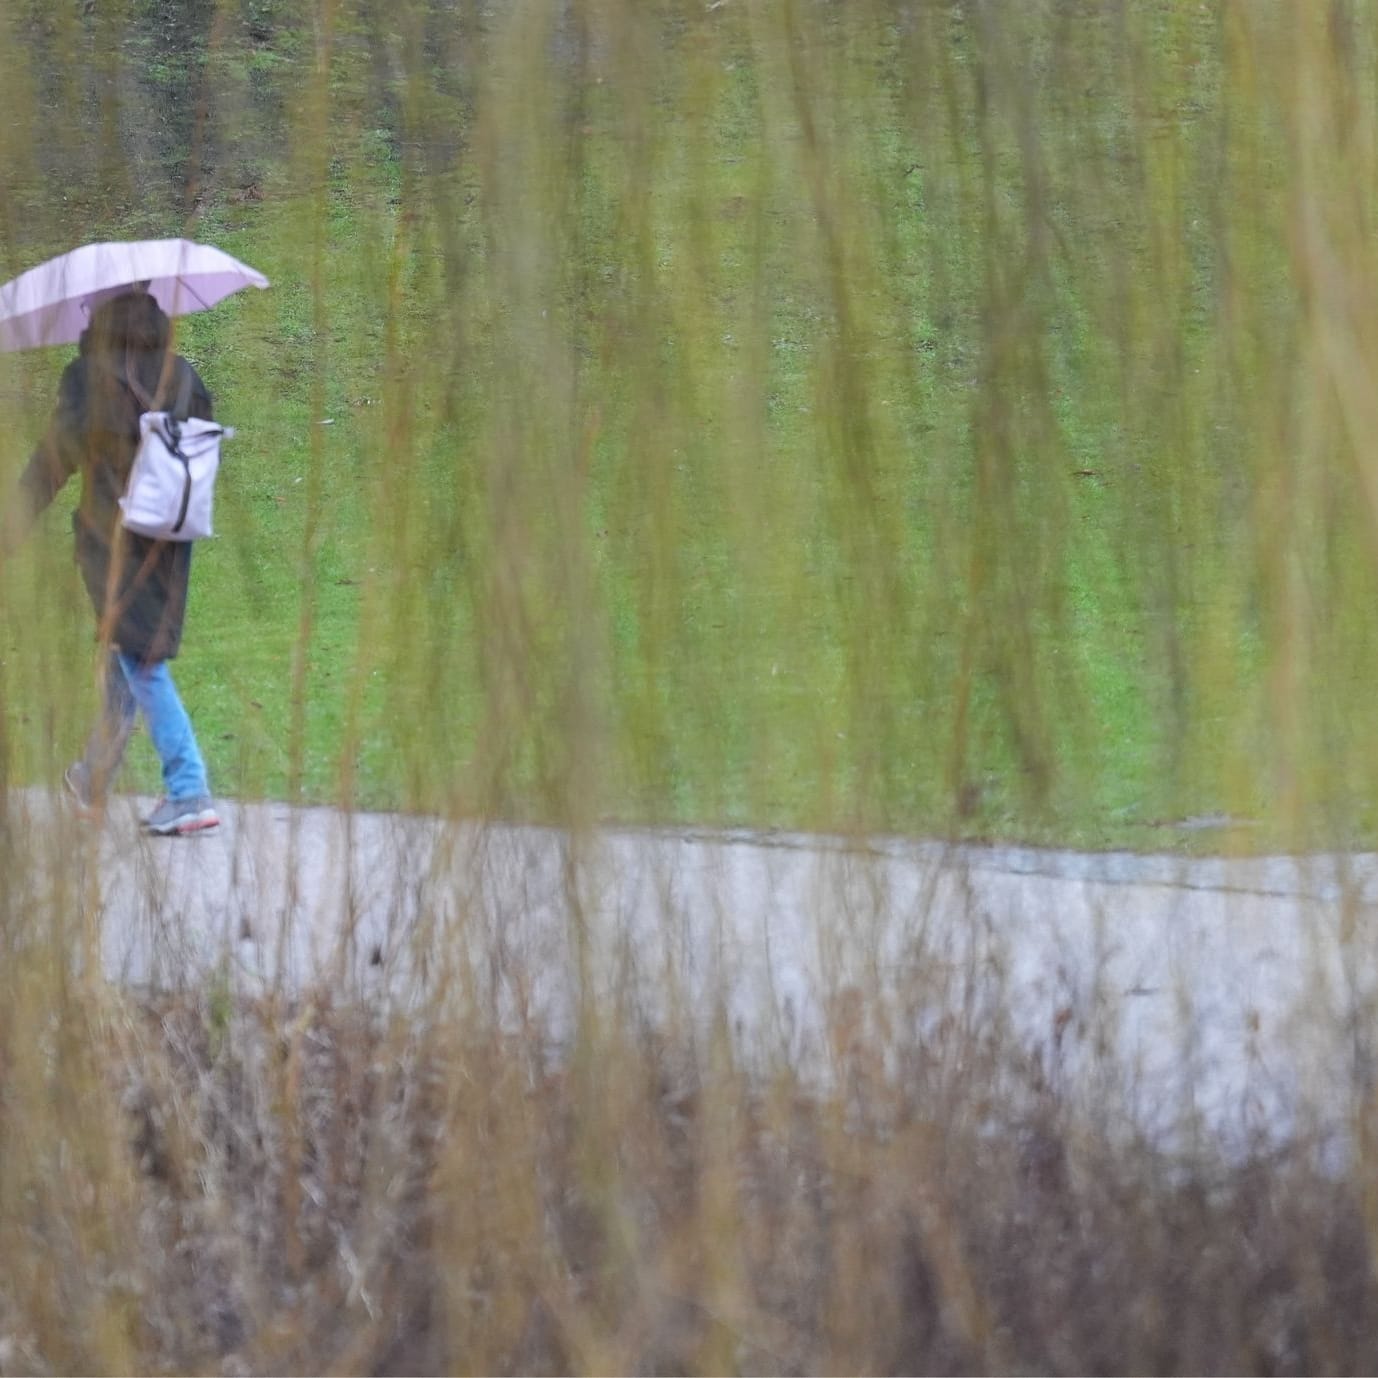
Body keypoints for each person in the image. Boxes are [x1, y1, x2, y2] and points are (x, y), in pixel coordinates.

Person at [5, 288, 220, 835]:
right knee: (127, 647)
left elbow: (55, 458)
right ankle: (94, 777)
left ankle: (189, 788)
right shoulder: (183, 373)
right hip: (172, 536)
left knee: (141, 658)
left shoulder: (89, 377)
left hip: (114, 538)